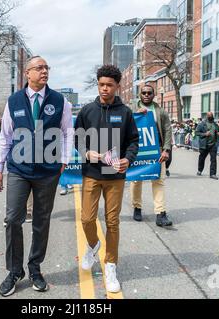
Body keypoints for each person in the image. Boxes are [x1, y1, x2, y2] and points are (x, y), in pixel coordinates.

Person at [0, 56, 73, 297]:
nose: (44, 71)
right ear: (27, 73)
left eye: (47, 67)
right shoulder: (14, 101)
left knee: (41, 220)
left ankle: (35, 268)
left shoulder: (60, 101)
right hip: (18, 169)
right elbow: (6, 137)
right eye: (39, 68)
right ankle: (14, 271)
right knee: (13, 219)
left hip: (48, 172)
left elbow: (67, 133)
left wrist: (64, 161)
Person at [75, 65, 139, 293]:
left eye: (109, 85)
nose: (104, 88)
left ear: (117, 86)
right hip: (92, 174)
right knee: (86, 219)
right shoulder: (86, 111)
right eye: (101, 84)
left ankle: (110, 264)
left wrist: (128, 159)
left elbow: (133, 141)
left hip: (115, 176)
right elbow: (78, 140)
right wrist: (86, 152)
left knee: (112, 222)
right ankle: (93, 245)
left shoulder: (125, 112)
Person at [130, 85, 173, 226]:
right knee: (136, 180)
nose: (146, 95)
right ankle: (137, 207)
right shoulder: (131, 109)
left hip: (157, 150)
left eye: (149, 93)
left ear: (154, 94)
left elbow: (167, 130)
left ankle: (161, 214)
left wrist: (166, 150)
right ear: (140, 94)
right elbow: (123, 125)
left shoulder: (160, 111)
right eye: (144, 93)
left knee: (159, 180)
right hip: (137, 150)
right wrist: (136, 114)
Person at [196, 112, 219, 180]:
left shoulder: (215, 124)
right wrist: (205, 134)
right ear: (207, 116)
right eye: (209, 115)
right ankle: (200, 170)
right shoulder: (202, 124)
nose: (210, 116)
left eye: (211, 115)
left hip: (213, 144)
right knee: (202, 158)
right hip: (204, 145)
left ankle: (212, 174)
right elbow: (197, 132)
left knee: (213, 159)